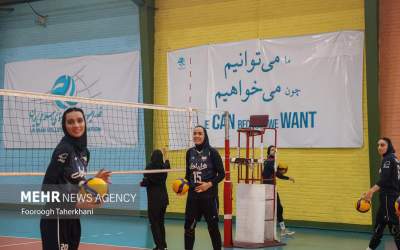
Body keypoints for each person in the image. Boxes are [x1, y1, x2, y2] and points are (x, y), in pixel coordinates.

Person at [40, 107, 111, 250]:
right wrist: (73, 202)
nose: (76, 125)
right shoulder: (64, 150)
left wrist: (92, 182)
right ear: (64, 126)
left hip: (73, 218)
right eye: (70, 122)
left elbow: (75, 183)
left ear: (85, 122)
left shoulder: (84, 152)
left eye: (80, 120)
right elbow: (46, 188)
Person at [184, 126, 225, 250]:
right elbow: (187, 175)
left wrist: (209, 184)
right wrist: (183, 186)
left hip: (209, 197)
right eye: (195, 133)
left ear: (204, 135)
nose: (196, 136)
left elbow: (222, 174)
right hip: (193, 198)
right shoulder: (189, 152)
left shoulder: (212, 152)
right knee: (189, 228)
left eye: (200, 133)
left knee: (212, 228)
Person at [364, 137, 400, 250]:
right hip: (387, 198)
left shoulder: (388, 159)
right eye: (378, 145)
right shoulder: (393, 158)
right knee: (379, 224)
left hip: (388, 198)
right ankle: (370, 248)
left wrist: (371, 191)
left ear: (389, 146)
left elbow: (384, 180)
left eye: (382, 145)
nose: (379, 147)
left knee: (394, 227)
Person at [262, 145, 295, 237]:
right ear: (269, 152)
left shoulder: (272, 161)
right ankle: (281, 230)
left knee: (279, 208)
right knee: (274, 209)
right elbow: (266, 174)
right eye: (272, 150)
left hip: (271, 187)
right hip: (268, 187)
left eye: (274, 149)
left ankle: (283, 229)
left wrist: (286, 177)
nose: (274, 151)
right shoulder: (269, 161)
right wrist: (281, 174)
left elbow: (276, 175)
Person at [141, 148, 170, 250]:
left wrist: (142, 183)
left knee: (154, 224)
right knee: (161, 223)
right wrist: (166, 154)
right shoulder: (164, 168)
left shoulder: (149, 167)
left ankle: (160, 246)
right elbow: (167, 163)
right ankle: (163, 245)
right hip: (164, 200)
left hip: (154, 200)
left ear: (153, 157)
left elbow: (146, 182)